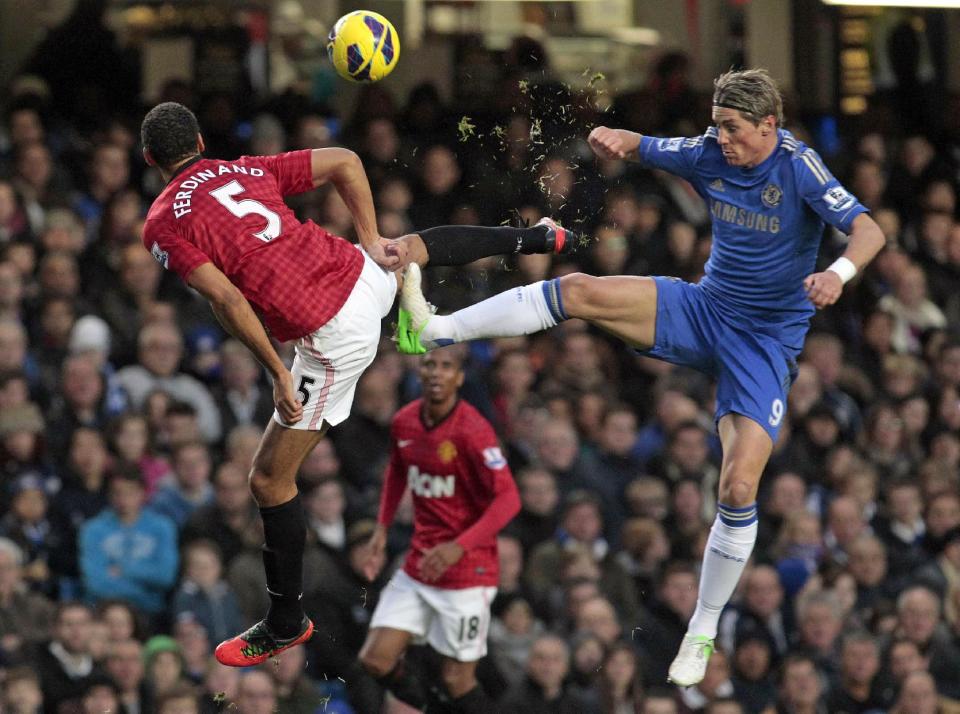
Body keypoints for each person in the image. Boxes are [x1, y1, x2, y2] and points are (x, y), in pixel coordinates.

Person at [395, 67, 886, 686]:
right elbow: (645, 144)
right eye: (716, 127)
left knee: (736, 487)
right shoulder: (709, 152)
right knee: (577, 290)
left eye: (733, 128)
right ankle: (434, 329)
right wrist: (618, 138)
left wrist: (837, 275)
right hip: (705, 310)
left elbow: (869, 230)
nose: (722, 140)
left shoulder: (798, 166)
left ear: (769, 126)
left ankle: (702, 628)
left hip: (762, 346)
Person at [138, 101, 575, 666]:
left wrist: (277, 371)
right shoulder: (244, 168)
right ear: (199, 139)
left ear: (151, 160)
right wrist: (369, 235)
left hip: (332, 334)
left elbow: (225, 297)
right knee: (406, 248)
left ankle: (285, 620)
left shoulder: (165, 221)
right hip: (361, 275)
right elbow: (345, 160)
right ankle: (534, 239)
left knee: (270, 480)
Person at [357, 348, 521, 712]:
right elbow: (398, 470)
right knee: (375, 660)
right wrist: (381, 530)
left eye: (447, 366)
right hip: (420, 565)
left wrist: (458, 547)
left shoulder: (474, 431)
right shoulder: (404, 422)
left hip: (467, 571)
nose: (436, 372)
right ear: (419, 372)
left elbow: (509, 499)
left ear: (459, 378)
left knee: (457, 680)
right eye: (429, 364)